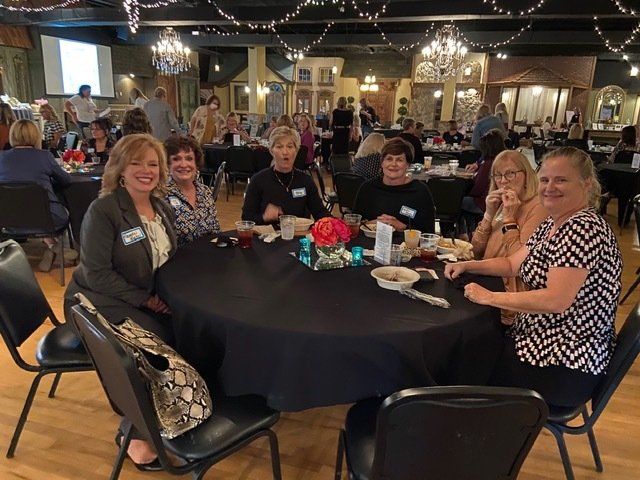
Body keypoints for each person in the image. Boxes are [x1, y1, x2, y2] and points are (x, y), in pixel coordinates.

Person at [445, 147, 622, 407]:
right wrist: (469, 265)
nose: (550, 187)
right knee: (467, 349)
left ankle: (469, 434)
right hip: (539, 341)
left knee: (463, 367)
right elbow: (511, 263)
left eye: (561, 179)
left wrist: (491, 297)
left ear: (586, 184)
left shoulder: (583, 228)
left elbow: (556, 300)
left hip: (564, 362)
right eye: (546, 179)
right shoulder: (555, 222)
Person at [64, 134, 177, 467]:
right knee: (154, 347)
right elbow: (96, 274)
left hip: (138, 298)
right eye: (137, 163)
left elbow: (168, 257)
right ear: (120, 169)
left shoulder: (161, 207)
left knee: (186, 328)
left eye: (153, 164)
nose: (146, 170)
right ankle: (136, 436)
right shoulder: (104, 210)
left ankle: (172, 414)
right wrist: (147, 301)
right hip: (94, 301)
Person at [470, 150, 547, 324]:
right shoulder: (501, 203)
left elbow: (519, 264)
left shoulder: (538, 207)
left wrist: (509, 219)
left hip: (508, 296)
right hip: (486, 277)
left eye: (510, 174)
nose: (503, 181)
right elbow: (475, 251)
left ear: (526, 174)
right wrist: (488, 214)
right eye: (497, 175)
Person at [0, 119, 74, 271]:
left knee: (28, 204)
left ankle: (52, 247)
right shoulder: (44, 156)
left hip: (8, 220)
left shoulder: (1, 157)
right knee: (54, 205)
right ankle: (53, 246)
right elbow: (66, 180)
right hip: (47, 219)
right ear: (36, 135)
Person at [242, 126, 330, 225]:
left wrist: (338, 224)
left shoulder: (306, 181)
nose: (285, 152)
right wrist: (264, 217)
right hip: (267, 237)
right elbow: (246, 217)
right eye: (279, 147)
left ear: (296, 151)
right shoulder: (258, 180)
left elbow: (320, 212)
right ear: (271, 151)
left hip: (299, 237)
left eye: (290, 146)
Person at [352, 137, 435, 233]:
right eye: (389, 159)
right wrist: (371, 224)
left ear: (408, 165)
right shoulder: (367, 188)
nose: (393, 164)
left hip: (406, 245)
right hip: (369, 244)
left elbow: (429, 232)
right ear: (382, 163)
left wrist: (403, 227)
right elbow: (354, 224)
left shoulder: (419, 192)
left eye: (399, 160)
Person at [164, 135, 220, 246]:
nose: (184, 165)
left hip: (207, 258)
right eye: (176, 159)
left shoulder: (205, 192)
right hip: (176, 261)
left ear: (196, 163)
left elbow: (216, 232)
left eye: (189, 158)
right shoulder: (161, 195)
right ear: (167, 164)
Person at [460, 129, 506, 234]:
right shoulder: (500, 160)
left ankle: (461, 232)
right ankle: (470, 230)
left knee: (457, 202)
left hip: (483, 203)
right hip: (498, 202)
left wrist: (464, 191)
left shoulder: (488, 164)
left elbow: (477, 189)